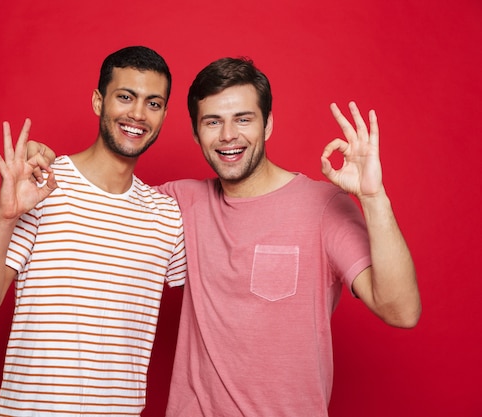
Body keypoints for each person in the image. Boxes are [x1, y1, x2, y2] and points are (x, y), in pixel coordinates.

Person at [31, 57, 421, 416]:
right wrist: (46, 162)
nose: (228, 136)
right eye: (213, 121)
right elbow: (105, 198)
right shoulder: (178, 203)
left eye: (244, 119)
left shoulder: (323, 206)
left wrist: (374, 199)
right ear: (196, 132)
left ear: (267, 123)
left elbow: (401, 311)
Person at [0, 46, 187, 416]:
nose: (138, 114)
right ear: (99, 101)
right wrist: (5, 216)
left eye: (154, 103)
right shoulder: (41, 185)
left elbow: (223, 298)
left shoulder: (166, 216)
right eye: (125, 97)